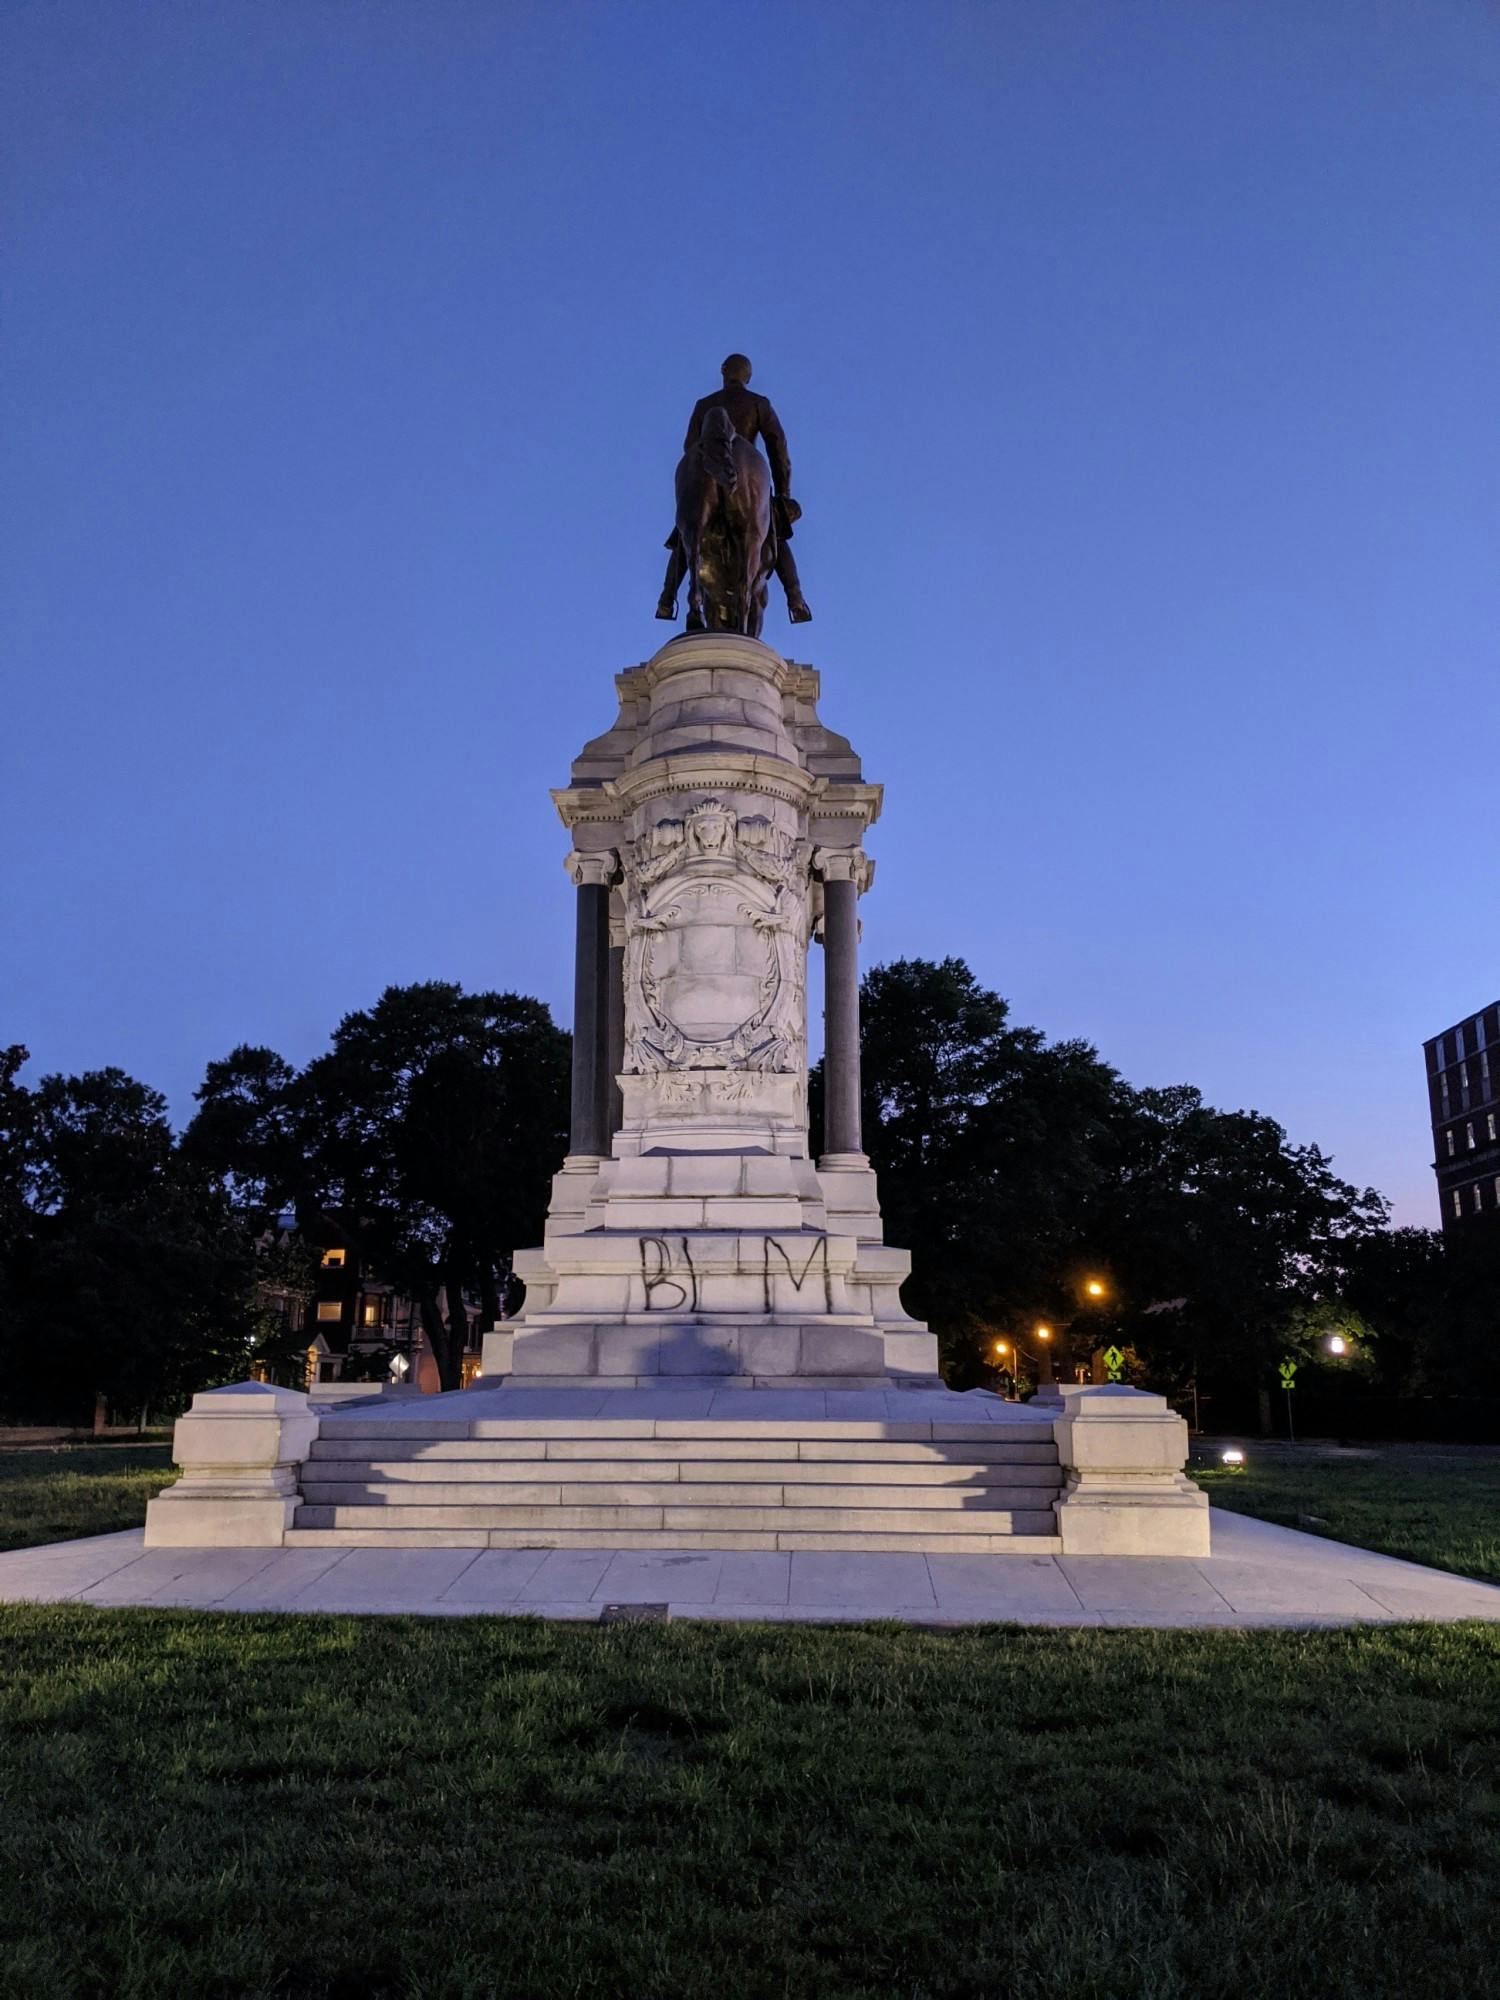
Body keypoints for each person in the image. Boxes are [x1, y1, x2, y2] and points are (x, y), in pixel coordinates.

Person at [657, 353, 812, 623]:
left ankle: (669, 598)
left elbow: (690, 448)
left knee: (686, 535)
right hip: (749, 478)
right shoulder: (758, 404)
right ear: (748, 377)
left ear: (723, 372)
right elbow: (778, 449)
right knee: (775, 533)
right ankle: (795, 599)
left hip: (704, 467)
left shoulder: (704, 404)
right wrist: (783, 494)